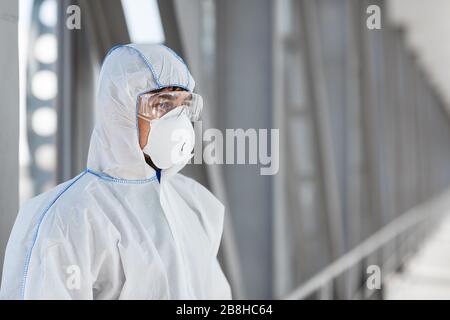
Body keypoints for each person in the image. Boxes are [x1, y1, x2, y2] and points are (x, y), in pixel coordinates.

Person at [0, 44, 232, 299]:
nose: (177, 121)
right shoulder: (69, 218)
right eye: (162, 105)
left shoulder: (194, 203)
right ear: (120, 109)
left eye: (184, 106)